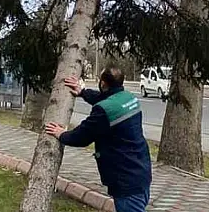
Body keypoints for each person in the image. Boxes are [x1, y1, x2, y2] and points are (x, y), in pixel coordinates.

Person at [44, 66, 152, 212]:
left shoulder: (103, 111)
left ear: (103, 83)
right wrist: (82, 92)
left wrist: (61, 134)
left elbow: (81, 137)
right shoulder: (129, 98)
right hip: (141, 171)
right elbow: (105, 99)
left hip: (126, 179)